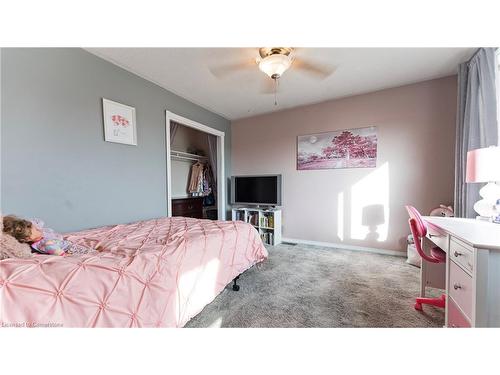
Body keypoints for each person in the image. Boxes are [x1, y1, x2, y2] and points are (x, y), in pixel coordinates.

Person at [2, 215, 95, 256]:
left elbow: (37, 222)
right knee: (89, 253)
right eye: (36, 230)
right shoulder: (45, 243)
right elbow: (51, 247)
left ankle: (94, 251)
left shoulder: (37, 239)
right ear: (28, 238)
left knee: (90, 251)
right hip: (69, 249)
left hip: (68, 245)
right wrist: (64, 255)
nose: (39, 229)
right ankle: (94, 253)